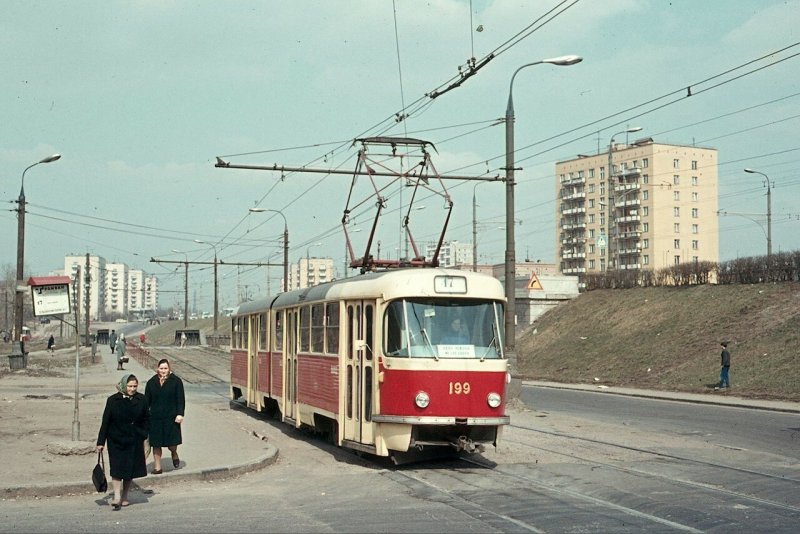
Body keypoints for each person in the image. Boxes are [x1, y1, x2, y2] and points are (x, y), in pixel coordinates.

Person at [96, 373, 149, 511]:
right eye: (130, 386)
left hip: (134, 439)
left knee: (129, 470)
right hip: (116, 440)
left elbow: (146, 419)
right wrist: (100, 442)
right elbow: (105, 422)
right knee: (117, 468)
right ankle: (117, 496)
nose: (132, 389)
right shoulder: (113, 400)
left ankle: (125, 495)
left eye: (135, 386)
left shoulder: (142, 399)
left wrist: (143, 434)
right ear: (123, 385)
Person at [145, 358, 185, 474]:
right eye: (161, 368)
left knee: (172, 443)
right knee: (156, 444)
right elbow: (146, 401)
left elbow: (180, 399)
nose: (163, 370)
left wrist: (180, 414)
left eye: (165, 368)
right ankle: (158, 467)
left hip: (171, 417)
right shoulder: (151, 382)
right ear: (157, 369)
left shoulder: (176, 381)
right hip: (155, 418)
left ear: (169, 369)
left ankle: (174, 453)